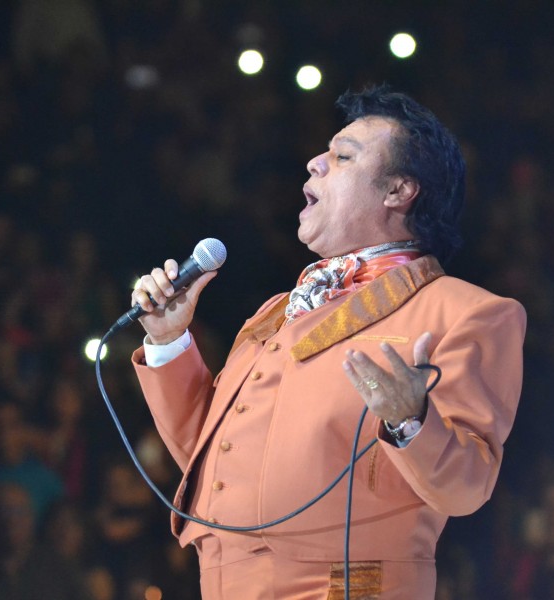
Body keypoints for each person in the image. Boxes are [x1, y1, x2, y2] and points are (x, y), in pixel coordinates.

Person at [128, 85, 526, 599]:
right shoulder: (277, 311)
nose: (315, 163)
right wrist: (169, 341)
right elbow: (213, 460)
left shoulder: (465, 312)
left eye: (342, 156)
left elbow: (467, 485)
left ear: (398, 191)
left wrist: (411, 421)